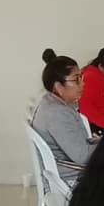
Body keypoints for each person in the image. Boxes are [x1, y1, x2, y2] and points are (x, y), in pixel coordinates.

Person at [30, 48, 94, 187]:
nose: (82, 84)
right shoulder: (57, 114)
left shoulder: (52, 103)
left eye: (81, 78)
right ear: (58, 86)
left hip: (69, 173)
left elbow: (79, 143)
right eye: (76, 80)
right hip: (72, 180)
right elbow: (83, 156)